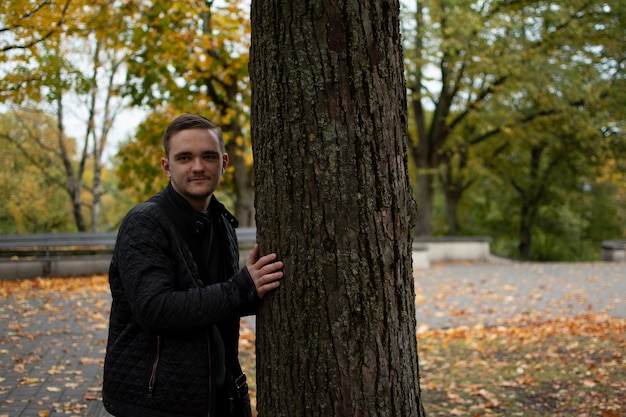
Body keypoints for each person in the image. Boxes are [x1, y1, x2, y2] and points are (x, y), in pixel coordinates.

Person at [103, 113, 284, 417]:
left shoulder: (221, 222)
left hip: (218, 397)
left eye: (208, 156)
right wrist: (240, 289)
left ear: (224, 163)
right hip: (156, 404)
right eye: (185, 157)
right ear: (167, 166)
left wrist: (253, 291)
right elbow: (154, 309)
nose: (198, 167)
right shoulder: (144, 223)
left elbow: (218, 305)